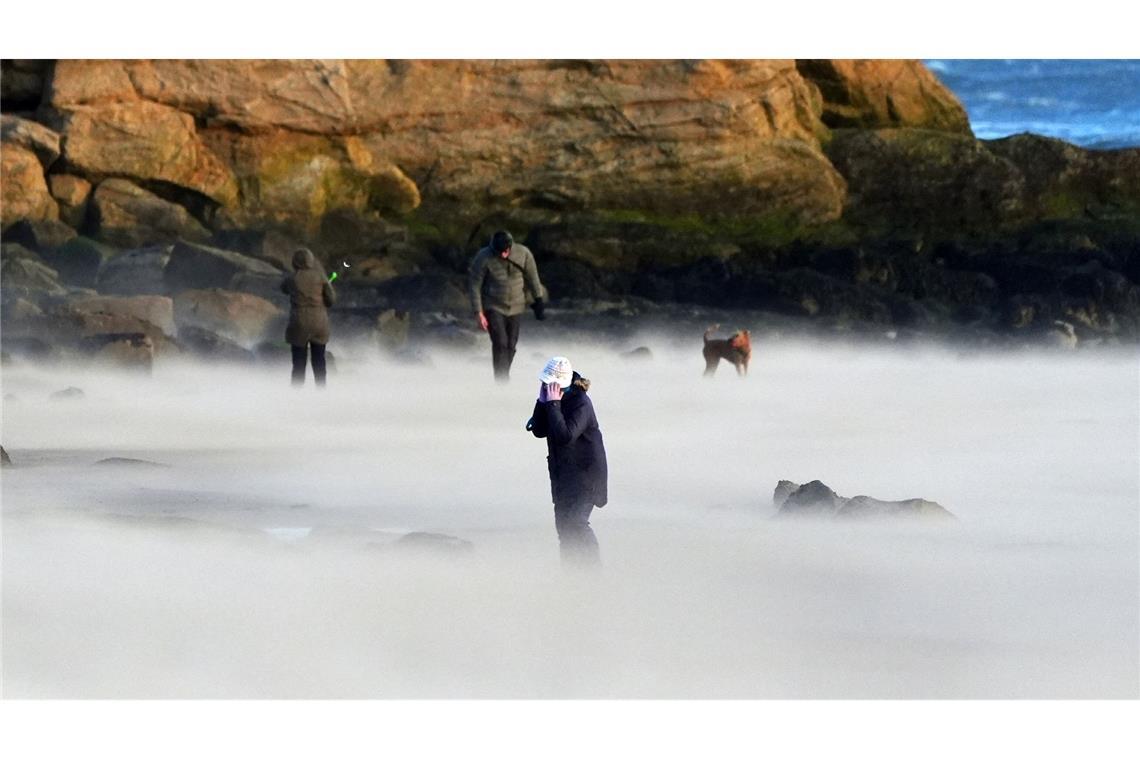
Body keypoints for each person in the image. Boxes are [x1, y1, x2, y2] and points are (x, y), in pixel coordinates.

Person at [526, 356, 607, 568]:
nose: (545, 386)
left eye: (548, 383)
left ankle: (593, 571)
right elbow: (539, 430)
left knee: (577, 524)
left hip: (586, 476)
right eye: (543, 383)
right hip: (562, 475)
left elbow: (565, 436)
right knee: (563, 527)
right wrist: (542, 402)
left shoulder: (581, 403)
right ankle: (571, 574)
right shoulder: (553, 400)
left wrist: (552, 404)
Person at [467, 230, 547, 382]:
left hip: (517, 306)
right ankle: (501, 381)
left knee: (511, 345)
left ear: (510, 246)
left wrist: (539, 301)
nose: (503, 255)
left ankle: (503, 375)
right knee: (500, 343)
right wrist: (478, 312)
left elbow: (533, 277)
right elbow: (474, 285)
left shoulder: (524, 253)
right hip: (493, 306)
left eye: (506, 251)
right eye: (500, 252)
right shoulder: (483, 257)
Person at [280, 247, 336, 387]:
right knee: (319, 361)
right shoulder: (321, 276)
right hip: (320, 322)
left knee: (298, 363)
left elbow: (283, 289)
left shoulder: (292, 278)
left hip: (299, 322)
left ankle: (297, 395)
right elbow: (331, 300)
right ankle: (321, 393)